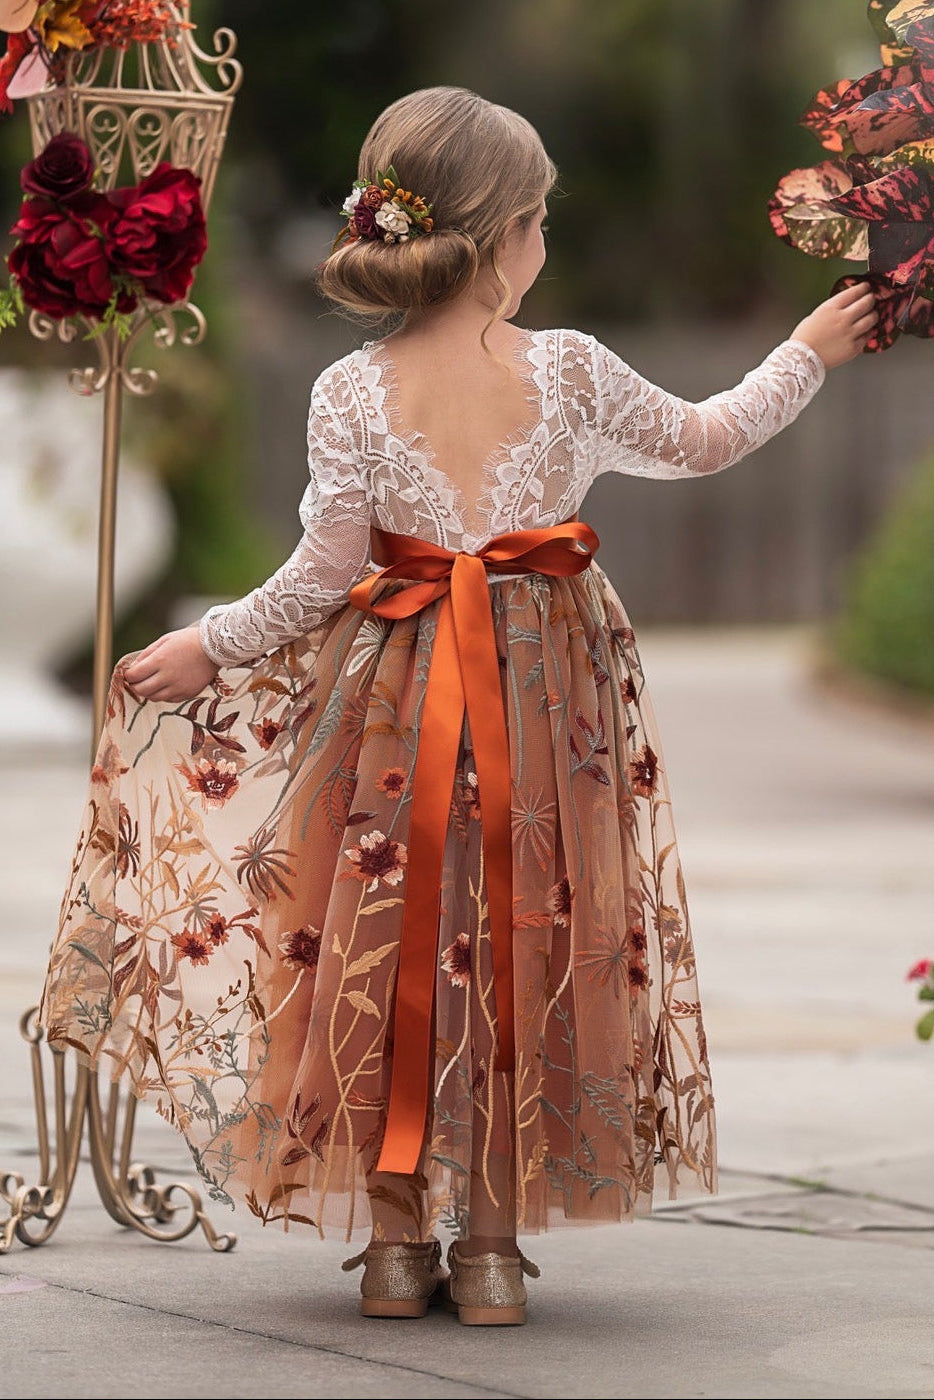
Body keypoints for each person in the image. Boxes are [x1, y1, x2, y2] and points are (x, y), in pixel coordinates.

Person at [39, 85, 876, 1327]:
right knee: (525, 934)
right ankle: (486, 1251)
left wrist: (208, 645)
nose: (548, 245)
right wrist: (806, 351)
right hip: (548, 693)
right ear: (500, 238)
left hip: (392, 695)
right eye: (541, 220)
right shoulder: (571, 369)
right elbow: (704, 438)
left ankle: (390, 1246)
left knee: (385, 933)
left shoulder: (349, 389)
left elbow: (321, 571)